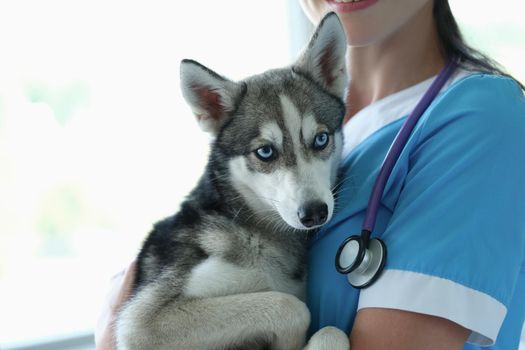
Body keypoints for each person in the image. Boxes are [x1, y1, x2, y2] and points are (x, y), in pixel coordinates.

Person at [96, 1, 525, 349]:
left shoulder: (481, 119)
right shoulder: (309, 110)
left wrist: (110, 337)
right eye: (266, 154)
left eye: (319, 144)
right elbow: (141, 328)